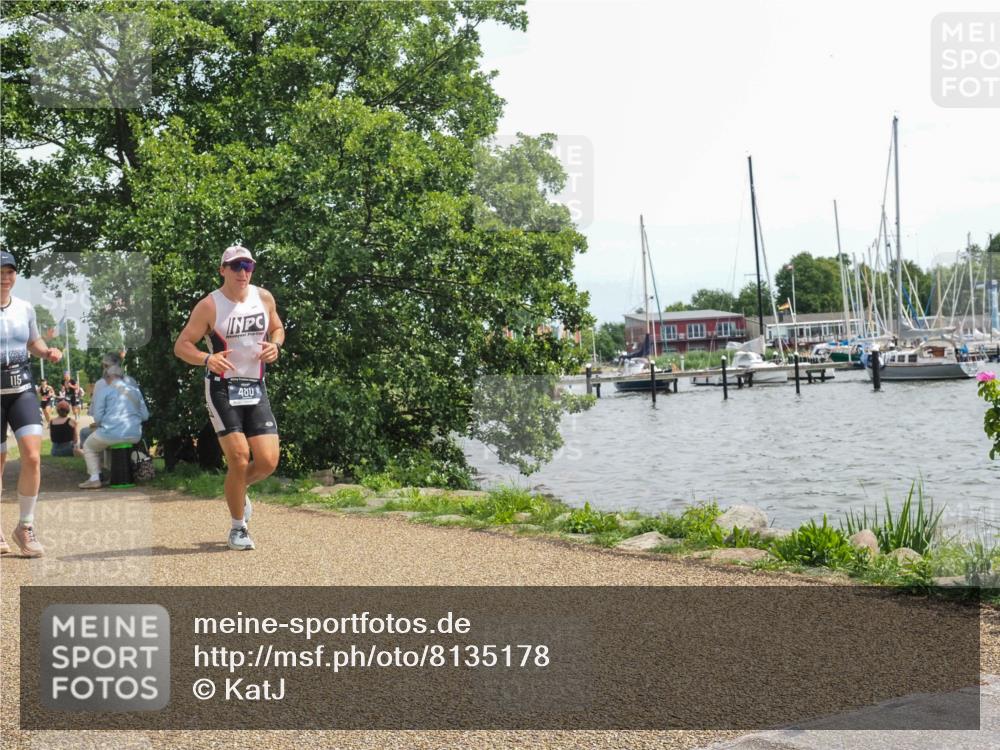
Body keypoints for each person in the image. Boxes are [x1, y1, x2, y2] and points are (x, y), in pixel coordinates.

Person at [173, 245, 284, 551]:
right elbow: (182, 345)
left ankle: (238, 489)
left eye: (247, 266)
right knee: (238, 458)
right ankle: (238, 527)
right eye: (235, 266)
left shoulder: (264, 298)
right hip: (222, 387)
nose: (242, 272)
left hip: (254, 385)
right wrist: (207, 359)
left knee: (268, 461)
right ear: (222, 270)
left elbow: (277, 327)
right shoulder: (210, 305)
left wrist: (275, 345)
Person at [0, 251, 63, 557]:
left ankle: (25, 526)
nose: (5, 277)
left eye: (10, 271)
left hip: (22, 389)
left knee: (33, 457)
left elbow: (33, 342)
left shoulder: (25, 309)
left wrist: (47, 352)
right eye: (1, 271)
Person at [78, 364, 148, 489]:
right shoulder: (135, 391)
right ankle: (114, 474)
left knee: (89, 446)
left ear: (108, 377)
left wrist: (106, 423)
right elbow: (145, 416)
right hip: (135, 434)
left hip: (112, 433)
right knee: (110, 442)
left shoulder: (104, 391)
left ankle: (95, 478)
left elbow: (98, 418)